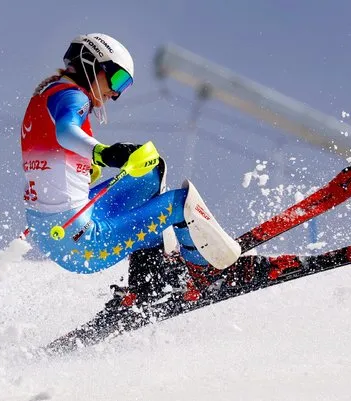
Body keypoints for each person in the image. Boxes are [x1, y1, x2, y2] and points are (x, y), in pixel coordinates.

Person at [20, 33, 240, 306]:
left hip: (58, 228)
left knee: (148, 172)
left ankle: (150, 275)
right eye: (117, 80)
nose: (115, 93)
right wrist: (103, 153)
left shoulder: (46, 95)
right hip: (82, 243)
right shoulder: (73, 97)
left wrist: (87, 167)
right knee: (180, 203)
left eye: (123, 86)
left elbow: (50, 154)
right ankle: (202, 275)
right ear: (91, 63)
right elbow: (66, 132)